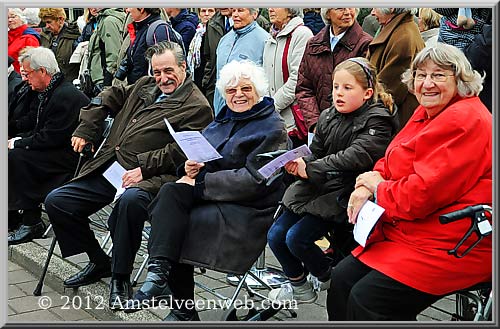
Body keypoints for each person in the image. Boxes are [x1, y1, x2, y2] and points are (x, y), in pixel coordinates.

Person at [327, 43, 492, 321]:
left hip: (453, 239)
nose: (427, 83)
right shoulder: (429, 111)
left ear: (460, 79)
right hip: (413, 230)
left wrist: (377, 187)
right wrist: (369, 183)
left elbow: (420, 195)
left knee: (368, 301)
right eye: (420, 74)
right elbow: (392, 159)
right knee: (341, 280)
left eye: (439, 75)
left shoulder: (464, 120)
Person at [44, 41, 213, 309]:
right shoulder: (146, 84)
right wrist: (87, 128)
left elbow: (182, 151)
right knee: (58, 201)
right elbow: (108, 95)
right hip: (112, 166)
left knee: (129, 203)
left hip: (153, 177)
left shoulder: (196, 105)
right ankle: (100, 260)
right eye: (157, 72)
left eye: (168, 71)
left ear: (183, 67)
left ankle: (120, 276)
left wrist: (144, 167)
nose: (162, 78)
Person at [124, 60, 288, 321]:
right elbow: (203, 156)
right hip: (213, 195)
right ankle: (160, 275)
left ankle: (178, 303)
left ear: (259, 91)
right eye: (231, 91)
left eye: (246, 89)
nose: (238, 96)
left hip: (247, 208)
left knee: (176, 222)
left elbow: (255, 180)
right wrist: (189, 168)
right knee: (169, 192)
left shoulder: (273, 127)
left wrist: (200, 183)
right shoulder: (224, 118)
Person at [267, 57, 398, 304]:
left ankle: (325, 276)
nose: (339, 93)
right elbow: (315, 150)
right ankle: (299, 284)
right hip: (317, 186)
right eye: (336, 86)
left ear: (367, 93)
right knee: (275, 236)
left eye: (348, 88)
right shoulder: (328, 115)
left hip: (346, 192)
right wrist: (296, 164)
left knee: (297, 237)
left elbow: (356, 155)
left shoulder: (378, 120)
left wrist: (312, 168)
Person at [8, 47, 90, 244]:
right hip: (57, 150)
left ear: (42, 71)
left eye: (27, 74)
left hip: (70, 159)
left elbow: (49, 138)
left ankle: (31, 221)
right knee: (14, 154)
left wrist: (17, 143)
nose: (25, 79)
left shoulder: (64, 95)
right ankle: (14, 216)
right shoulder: (51, 90)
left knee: (15, 157)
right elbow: (38, 128)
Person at [296, 8, 372, 132]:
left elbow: (364, 91)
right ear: (327, 14)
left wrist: (338, 128)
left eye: (351, 7)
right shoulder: (313, 44)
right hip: (318, 130)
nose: (348, 12)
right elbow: (304, 88)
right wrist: (316, 124)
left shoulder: (365, 44)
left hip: (350, 130)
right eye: (340, 8)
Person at [367, 8, 425, 129]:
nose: (372, 13)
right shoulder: (401, 31)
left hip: (396, 121)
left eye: (375, 7)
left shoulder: (403, 37)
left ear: (391, 8)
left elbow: (388, 89)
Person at [263, 8, 312, 141]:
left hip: (292, 122)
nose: (270, 9)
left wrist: (272, 107)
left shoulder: (302, 34)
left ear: (290, 10)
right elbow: (265, 76)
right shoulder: (271, 36)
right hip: (272, 121)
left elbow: (297, 80)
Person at [212, 8, 269, 115]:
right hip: (221, 110)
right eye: (233, 11)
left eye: (240, 10)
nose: (235, 15)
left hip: (248, 112)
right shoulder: (225, 39)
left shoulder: (264, 40)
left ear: (254, 14)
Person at [116, 8, 182, 85]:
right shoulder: (140, 28)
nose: (128, 10)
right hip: (140, 91)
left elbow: (166, 69)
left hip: (150, 92)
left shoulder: (159, 30)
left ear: (142, 9)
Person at [83, 8, 125, 97]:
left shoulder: (109, 21)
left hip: (103, 81)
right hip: (101, 79)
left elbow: (113, 55)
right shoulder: (105, 19)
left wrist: (107, 84)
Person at [201, 8, 233, 108]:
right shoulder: (212, 23)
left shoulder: (256, 23)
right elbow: (208, 56)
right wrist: (207, 82)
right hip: (215, 88)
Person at [38, 8, 81, 82]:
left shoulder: (75, 37)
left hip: (69, 84)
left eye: (49, 22)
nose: (47, 26)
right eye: (45, 23)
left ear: (60, 20)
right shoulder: (44, 36)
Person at [187, 8, 216, 91]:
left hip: (209, 79)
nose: (206, 14)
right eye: (203, 11)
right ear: (199, 14)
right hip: (196, 77)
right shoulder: (196, 32)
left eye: (210, 11)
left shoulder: (216, 33)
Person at [8, 8, 40, 73]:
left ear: (22, 18)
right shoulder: (7, 36)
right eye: (7, 18)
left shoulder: (30, 38)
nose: (10, 20)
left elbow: (33, 65)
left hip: (19, 79)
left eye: (13, 17)